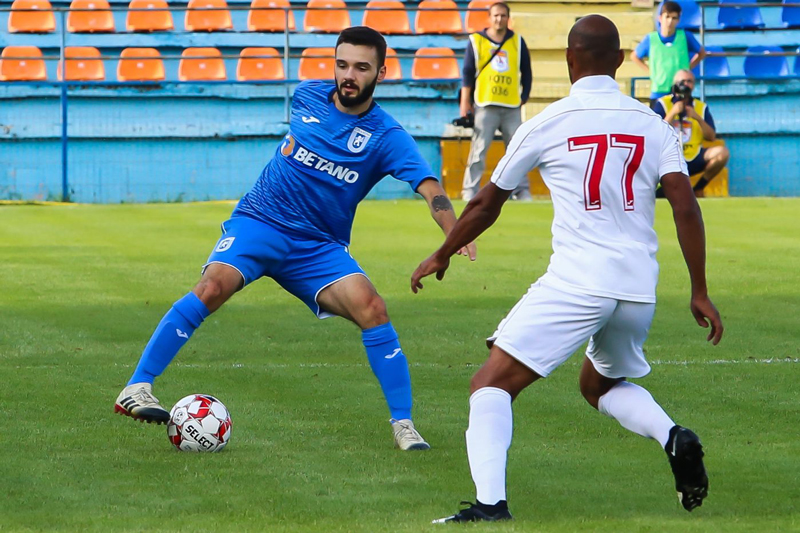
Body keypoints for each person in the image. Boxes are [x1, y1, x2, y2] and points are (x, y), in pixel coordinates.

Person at [412, 15, 723, 522]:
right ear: (620, 61)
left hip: (579, 281)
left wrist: (444, 251)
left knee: (490, 384)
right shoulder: (653, 124)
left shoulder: (546, 122)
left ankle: (490, 507)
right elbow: (686, 207)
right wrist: (700, 291)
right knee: (598, 387)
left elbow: (488, 202)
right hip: (637, 288)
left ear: (569, 60)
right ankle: (673, 435)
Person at [115, 26, 477, 451]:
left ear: (381, 72)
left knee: (373, 308)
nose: (349, 75)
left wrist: (452, 239)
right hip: (260, 222)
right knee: (212, 286)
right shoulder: (306, 95)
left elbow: (432, 191)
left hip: (318, 247)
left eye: (362, 68)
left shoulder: (387, 137)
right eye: (342, 64)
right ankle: (137, 387)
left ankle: (404, 424)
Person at [459, 1, 533, 202]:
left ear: (508, 18)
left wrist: (524, 96)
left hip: (511, 106)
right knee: (479, 151)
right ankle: (469, 190)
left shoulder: (517, 41)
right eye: (496, 15)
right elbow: (467, 73)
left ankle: (521, 191)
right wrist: (465, 103)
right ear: (489, 18)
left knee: (518, 151)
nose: (499, 19)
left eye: (503, 15)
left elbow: (526, 72)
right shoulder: (476, 41)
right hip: (485, 104)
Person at [654, 69, 730, 197]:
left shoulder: (701, 107)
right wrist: (672, 113)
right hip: (668, 156)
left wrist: (697, 118)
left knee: (722, 153)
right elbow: (655, 133)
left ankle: (698, 188)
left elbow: (711, 137)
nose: (685, 84)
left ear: (693, 85)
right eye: (682, 81)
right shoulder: (663, 104)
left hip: (693, 155)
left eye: (689, 81)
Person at [631, 1, 705, 107]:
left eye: (674, 18)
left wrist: (687, 68)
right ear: (660, 18)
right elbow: (634, 56)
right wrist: (651, 71)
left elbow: (701, 53)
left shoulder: (685, 36)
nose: (670, 21)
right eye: (667, 17)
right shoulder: (650, 39)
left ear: (678, 20)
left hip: (681, 89)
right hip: (658, 90)